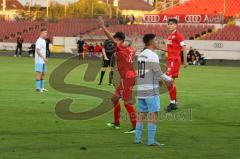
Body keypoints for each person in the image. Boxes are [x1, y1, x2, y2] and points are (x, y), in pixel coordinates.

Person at [98, 16, 137, 133]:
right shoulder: (131, 49)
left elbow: (111, 39)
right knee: (115, 99)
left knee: (127, 102)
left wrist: (103, 27)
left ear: (118, 40)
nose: (112, 43)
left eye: (114, 41)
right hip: (127, 78)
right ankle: (117, 123)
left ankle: (136, 127)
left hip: (127, 79)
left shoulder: (121, 48)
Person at [134, 33, 172, 146]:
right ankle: (151, 141)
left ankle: (137, 138)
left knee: (142, 114)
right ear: (150, 42)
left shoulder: (141, 54)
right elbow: (158, 72)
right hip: (151, 89)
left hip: (141, 88)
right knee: (154, 114)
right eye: (156, 40)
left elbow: (146, 71)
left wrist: (158, 80)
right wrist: (169, 80)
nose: (157, 42)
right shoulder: (153, 55)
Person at [159, 18, 187, 112]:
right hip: (170, 60)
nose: (169, 25)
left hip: (174, 60)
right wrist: (157, 47)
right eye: (168, 24)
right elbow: (169, 49)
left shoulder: (178, 36)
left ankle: (173, 103)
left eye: (171, 24)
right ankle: (173, 102)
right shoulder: (170, 36)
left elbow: (184, 48)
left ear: (176, 25)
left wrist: (185, 61)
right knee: (170, 82)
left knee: (167, 80)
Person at [35, 28, 48, 92]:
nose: (46, 34)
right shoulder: (39, 40)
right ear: (41, 33)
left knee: (43, 73)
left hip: (43, 60)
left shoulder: (44, 41)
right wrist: (43, 58)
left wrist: (44, 59)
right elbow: (37, 50)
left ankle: (42, 88)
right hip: (39, 60)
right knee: (39, 73)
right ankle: (38, 88)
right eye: (45, 32)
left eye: (46, 32)